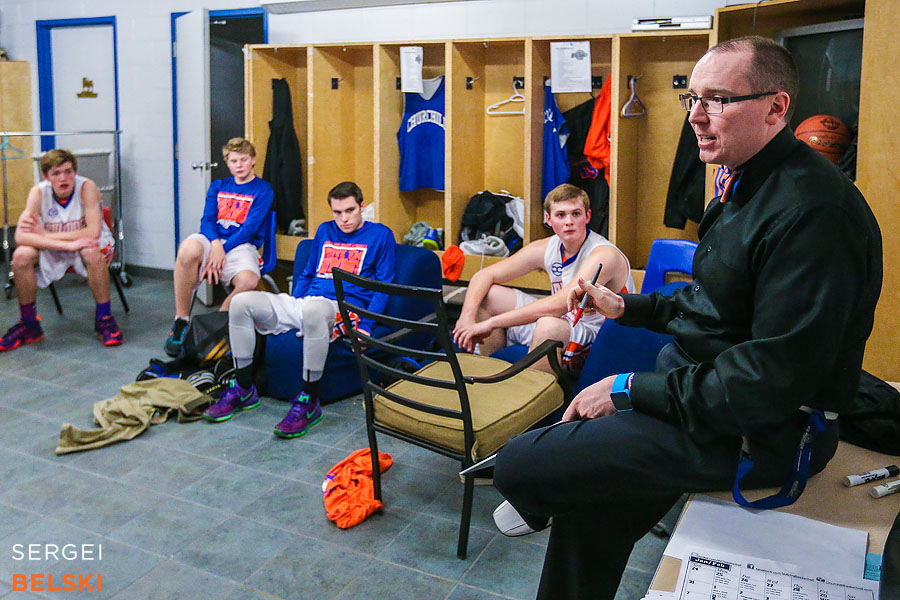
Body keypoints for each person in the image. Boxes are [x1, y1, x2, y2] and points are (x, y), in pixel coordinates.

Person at [492, 36, 882, 600]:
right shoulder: (745, 180)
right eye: (693, 99)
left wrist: (630, 388)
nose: (696, 117)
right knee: (587, 509)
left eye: (718, 99)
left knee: (518, 465)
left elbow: (767, 380)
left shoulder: (814, 213)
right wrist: (630, 305)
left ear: (777, 108)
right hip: (700, 393)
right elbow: (715, 303)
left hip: (757, 430)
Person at [202, 181, 396, 438]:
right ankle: (244, 388)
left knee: (315, 309)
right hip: (309, 302)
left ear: (362, 207)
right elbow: (307, 273)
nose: (344, 219)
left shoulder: (381, 235)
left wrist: (367, 328)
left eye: (350, 211)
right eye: (337, 212)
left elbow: (383, 284)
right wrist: (293, 305)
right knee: (242, 303)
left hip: (344, 308)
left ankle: (309, 401)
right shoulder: (325, 230)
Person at [452, 183, 634, 374]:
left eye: (576, 214)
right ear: (548, 219)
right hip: (564, 323)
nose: (569, 221)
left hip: (600, 338)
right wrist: (466, 318)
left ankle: (541, 399)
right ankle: (490, 375)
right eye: (561, 215)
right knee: (489, 295)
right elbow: (485, 274)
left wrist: (491, 323)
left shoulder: (604, 254)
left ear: (587, 216)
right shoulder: (548, 247)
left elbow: (559, 304)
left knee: (548, 326)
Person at [1, 149, 122, 351]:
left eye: (68, 171)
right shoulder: (38, 193)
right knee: (21, 255)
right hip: (60, 246)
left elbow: (92, 232)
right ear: (46, 176)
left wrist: (45, 236)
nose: (63, 178)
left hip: (90, 243)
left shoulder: (87, 187)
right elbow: (21, 236)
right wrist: (65, 244)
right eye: (56, 173)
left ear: (75, 172)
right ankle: (30, 324)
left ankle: (104, 318)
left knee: (92, 252)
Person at [165, 137, 274, 356]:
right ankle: (181, 320)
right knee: (187, 249)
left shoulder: (263, 190)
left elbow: (248, 230)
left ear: (253, 160)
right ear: (227, 163)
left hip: (242, 244)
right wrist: (215, 246)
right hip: (213, 240)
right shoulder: (218, 186)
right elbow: (207, 220)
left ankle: (219, 322)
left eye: (244, 160)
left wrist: (222, 250)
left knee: (249, 280)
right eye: (234, 161)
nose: (239, 165)